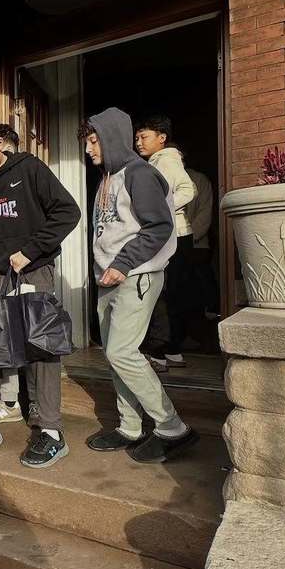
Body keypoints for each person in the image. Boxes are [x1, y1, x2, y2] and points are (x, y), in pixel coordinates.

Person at [0, 115, 80, 468]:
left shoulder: (30, 169)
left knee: (42, 345)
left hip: (33, 269)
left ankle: (51, 431)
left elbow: (68, 211)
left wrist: (32, 250)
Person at [82, 108, 199, 463]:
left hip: (136, 276)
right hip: (110, 279)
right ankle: (130, 427)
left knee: (122, 353)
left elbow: (159, 226)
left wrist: (122, 264)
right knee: (115, 355)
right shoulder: (109, 177)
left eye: (92, 140)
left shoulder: (140, 174)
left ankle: (172, 428)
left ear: (111, 137)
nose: (88, 149)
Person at [134, 115, 196, 371]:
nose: (138, 142)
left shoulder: (166, 160)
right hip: (178, 236)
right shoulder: (161, 160)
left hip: (172, 237)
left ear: (162, 138)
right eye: (137, 138)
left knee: (159, 292)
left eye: (144, 137)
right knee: (172, 293)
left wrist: (162, 212)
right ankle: (172, 350)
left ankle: (158, 352)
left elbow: (189, 189)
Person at [0, 124, 25, 425]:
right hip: (4, 270)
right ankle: (12, 400)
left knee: (24, 335)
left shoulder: (26, 171)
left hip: (27, 267)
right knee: (9, 335)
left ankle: (18, 400)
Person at [186, 166, 221, 319]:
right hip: (172, 244)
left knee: (200, 281)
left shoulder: (199, 179)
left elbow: (204, 213)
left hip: (196, 243)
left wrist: (189, 237)